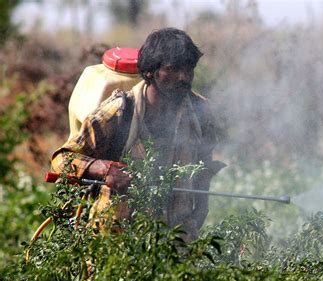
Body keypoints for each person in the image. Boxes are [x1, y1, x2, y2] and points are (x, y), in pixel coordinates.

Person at [51, 28, 225, 241]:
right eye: (174, 69)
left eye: (189, 69)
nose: (184, 77)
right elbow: (62, 159)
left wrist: (200, 212)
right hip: (116, 245)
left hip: (177, 242)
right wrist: (105, 170)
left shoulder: (200, 112)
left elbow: (202, 168)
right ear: (150, 71)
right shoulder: (119, 111)